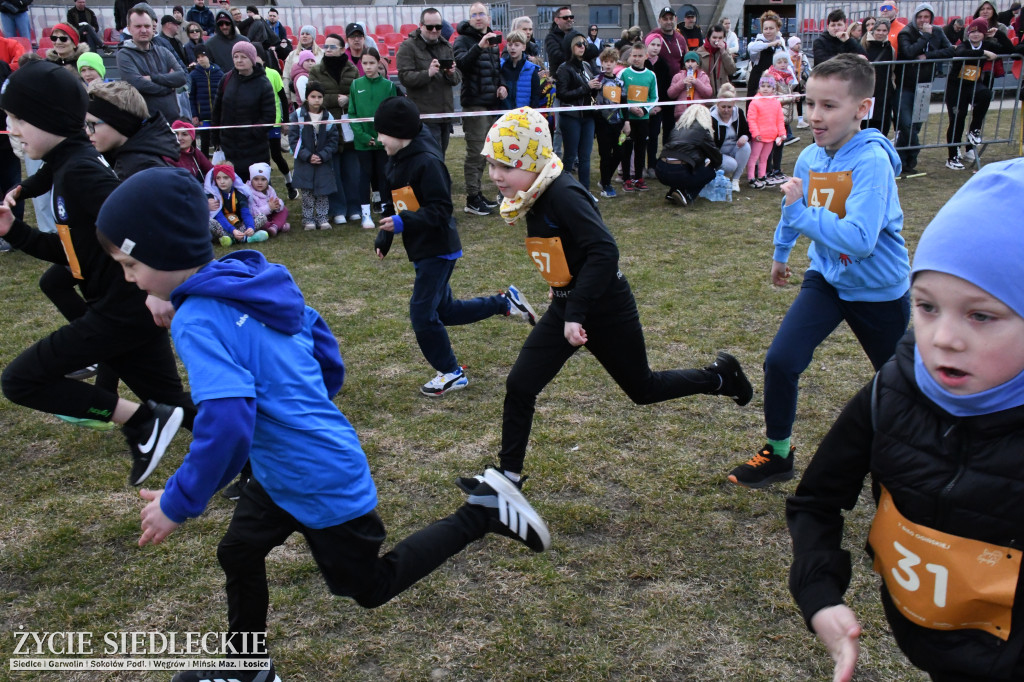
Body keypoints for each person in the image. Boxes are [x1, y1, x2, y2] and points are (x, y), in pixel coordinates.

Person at [92, 168, 549, 682]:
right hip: (282, 471)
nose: (128, 278)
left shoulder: (198, 320)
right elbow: (316, 333)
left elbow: (228, 425)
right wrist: (308, 400)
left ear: (166, 251)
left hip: (316, 476)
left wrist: (177, 502)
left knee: (370, 586)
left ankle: (483, 511)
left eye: (131, 265)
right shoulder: (250, 278)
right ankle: (247, 667)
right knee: (238, 551)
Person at [787, 157, 1024, 682]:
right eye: (926, 306)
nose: (944, 339)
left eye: (981, 315)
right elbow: (816, 501)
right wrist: (819, 593)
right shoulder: (892, 389)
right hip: (932, 654)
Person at [470, 105, 752, 506]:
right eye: (492, 165)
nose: (496, 175)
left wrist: (576, 311)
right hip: (570, 305)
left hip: (604, 308)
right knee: (520, 384)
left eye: (506, 166)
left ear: (533, 161)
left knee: (643, 389)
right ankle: (509, 479)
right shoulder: (535, 193)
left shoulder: (563, 193)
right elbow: (567, 248)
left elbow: (604, 250)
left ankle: (720, 378)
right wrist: (560, 285)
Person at [0, 61, 193, 486]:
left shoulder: (81, 171)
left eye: (18, 119)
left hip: (122, 311)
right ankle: (265, 463)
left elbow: (149, 221)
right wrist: (15, 231)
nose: (11, 129)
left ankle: (141, 422)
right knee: (173, 402)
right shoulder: (67, 167)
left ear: (48, 118)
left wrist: (160, 290)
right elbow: (76, 256)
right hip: (122, 309)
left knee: (20, 380)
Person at [726, 55, 911, 489]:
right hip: (826, 279)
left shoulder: (872, 162)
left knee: (900, 384)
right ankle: (779, 454)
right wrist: (781, 251)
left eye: (829, 106)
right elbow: (794, 208)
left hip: (878, 289)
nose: (814, 116)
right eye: (809, 103)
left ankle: (907, 467)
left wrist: (799, 212)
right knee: (781, 361)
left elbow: (860, 239)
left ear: (862, 108)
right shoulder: (810, 156)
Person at [371, 97, 536, 397]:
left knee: (422, 314)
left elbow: (441, 209)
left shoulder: (427, 162)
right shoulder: (397, 155)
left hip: (438, 249)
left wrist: (403, 222)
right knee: (444, 311)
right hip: (422, 246)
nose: (379, 138)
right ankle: (504, 303)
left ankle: (451, 373)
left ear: (400, 133)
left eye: (382, 133)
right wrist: (386, 235)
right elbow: (393, 195)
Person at [454, 2, 505, 216]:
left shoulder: (493, 39)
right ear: (469, 18)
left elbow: (495, 69)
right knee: (475, 152)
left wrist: (501, 85)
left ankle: (478, 194)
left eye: (481, 14)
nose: (477, 17)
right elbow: (461, 65)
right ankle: (472, 198)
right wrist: (479, 47)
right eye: (474, 14)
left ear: (488, 18)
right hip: (474, 102)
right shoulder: (462, 40)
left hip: (491, 103)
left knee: (485, 153)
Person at [305, 33, 360, 225]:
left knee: (352, 172)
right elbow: (312, 97)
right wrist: (335, 99)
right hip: (327, 128)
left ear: (342, 49)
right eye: (326, 46)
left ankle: (354, 208)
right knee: (332, 172)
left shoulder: (352, 69)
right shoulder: (317, 70)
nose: (327, 50)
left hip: (349, 127)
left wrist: (349, 99)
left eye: (332, 47)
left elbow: (358, 93)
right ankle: (338, 209)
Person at [943, 18, 1012, 170]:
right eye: (972, 31)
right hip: (956, 87)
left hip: (973, 85)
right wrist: (984, 53)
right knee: (957, 119)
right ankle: (952, 156)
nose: (975, 34)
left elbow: (1009, 50)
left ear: (984, 34)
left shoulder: (988, 44)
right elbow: (961, 52)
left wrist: (998, 34)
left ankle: (974, 130)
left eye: (979, 32)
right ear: (968, 33)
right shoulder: (965, 45)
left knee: (986, 94)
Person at [894, 2, 953, 175]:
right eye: (920, 17)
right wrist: (926, 36)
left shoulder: (938, 31)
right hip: (905, 85)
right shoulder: (906, 32)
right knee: (906, 124)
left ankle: (906, 163)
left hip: (925, 85)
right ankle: (911, 154)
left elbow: (950, 51)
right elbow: (909, 52)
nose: (923, 20)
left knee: (916, 126)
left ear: (931, 18)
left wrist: (928, 55)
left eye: (926, 17)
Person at [396, 8, 461, 155]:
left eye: (438, 27)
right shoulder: (408, 47)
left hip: (445, 115)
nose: (434, 30)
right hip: (423, 117)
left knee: (440, 157)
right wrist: (428, 73)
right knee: (428, 157)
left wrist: (451, 73)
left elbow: (457, 77)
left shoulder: (446, 46)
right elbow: (404, 77)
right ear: (421, 25)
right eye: (430, 27)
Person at [85, 80, 178, 180]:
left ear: (119, 122)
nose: (87, 131)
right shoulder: (126, 160)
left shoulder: (140, 169)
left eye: (93, 124)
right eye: (86, 124)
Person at [212, 41, 275, 183]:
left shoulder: (263, 83)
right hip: (229, 146)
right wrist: (216, 137)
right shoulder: (226, 79)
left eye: (243, 57)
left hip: (254, 149)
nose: (239, 60)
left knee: (256, 187)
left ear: (252, 59)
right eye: (236, 56)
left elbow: (269, 116)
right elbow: (217, 110)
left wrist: (252, 133)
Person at [349, 48, 396, 229]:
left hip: (383, 142)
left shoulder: (388, 86)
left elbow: (392, 112)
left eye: (371, 63)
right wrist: (362, 136)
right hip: (363, 143)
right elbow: (352, 113)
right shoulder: (355, 85)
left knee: (384, 175)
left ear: (378, 63)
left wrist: (381, 137)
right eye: (365, 63)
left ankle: (386, 209)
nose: (368, 67)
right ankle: (366, 214)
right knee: (364, 176)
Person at [116, 8, 188, 125]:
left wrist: (153, 78)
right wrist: (169, 87)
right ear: (129, 29)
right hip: (146, 125)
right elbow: (138, 83)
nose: (144, 30)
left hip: (173, 121)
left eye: (147, 26)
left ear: (153, 28)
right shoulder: (124, 55)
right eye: (138, 26)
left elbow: (181, 77)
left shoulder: (164, 51)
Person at [288, 80, 338, 230]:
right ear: (307, 97)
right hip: (304, 161)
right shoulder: (297, 116)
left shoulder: (328, 117)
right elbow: (294, 140)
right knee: (307, 192)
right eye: (313, 96)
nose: (316, 100)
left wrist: (322, 155)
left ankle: (322, 217)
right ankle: (308, 219)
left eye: (319, 97)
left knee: (323, 191)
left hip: (323, 161)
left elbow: (333, 140)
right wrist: (308, 156)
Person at [555, 33, 600, 198]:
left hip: (588, 116)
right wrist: (587, 87)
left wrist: (596, 87)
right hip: (571, 116)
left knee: (585, 156)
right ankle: (565, 192)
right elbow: (562, 94)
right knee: (570, 156)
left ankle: (585, 192)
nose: (582, 47)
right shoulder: (564, 68)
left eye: (584, 44)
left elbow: (589, 91)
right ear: (570, 47)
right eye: (578, 44)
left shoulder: (586, 65)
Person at [655, 104, 722, 206]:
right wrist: (713, 164)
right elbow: (716, 156)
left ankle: (673, 192)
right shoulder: (702, 131)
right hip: (679, 171)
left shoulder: (677, 128)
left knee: (689, 166)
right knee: (710, 172)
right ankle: (687, 195)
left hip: (660, 169)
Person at [620, 42, 658, 192]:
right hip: (627, 119)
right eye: (634, 56)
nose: (637, 59)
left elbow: (654, 97)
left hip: (643, 119)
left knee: (641, 149)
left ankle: (638, 178)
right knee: (626, 148)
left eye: (640, 56)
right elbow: (619, 95)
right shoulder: (623, 73)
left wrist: (644, 108)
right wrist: (630, 107)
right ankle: (626, 178)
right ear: (630, 56)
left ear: (646, 56)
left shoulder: (651, 75)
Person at [205, 163, 268, 244]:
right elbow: (219, 217)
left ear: (232, 178)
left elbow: (246, 214)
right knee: (208, 222)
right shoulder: (213, 195)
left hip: (239, 225)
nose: (222, 181)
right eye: (218, 178)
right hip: (223, 226)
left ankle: (233, 239)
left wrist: (250, 227)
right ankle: (244, 238)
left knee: (262, 217)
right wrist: (233, 230)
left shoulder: (240, 193)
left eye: (226, 178)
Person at [594, 46, 626, 198]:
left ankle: (604, 179)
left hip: (617, 122)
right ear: (601, 62)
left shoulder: (620, 82)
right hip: (602, 123)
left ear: (615, 63)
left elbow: (624, 103)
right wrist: (595, 89)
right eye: (605, 61)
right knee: (605, 155)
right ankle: (606, 185)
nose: (608, 64)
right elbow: (591, 97)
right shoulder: (597, 79)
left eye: (611, 61)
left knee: (619, 152)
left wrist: (626, 122)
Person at [745, 74, 785, 189]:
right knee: (754, 157)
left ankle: (762, 176)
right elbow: (751, 119)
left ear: (773, 88)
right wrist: (755, 133)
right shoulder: (755, 102)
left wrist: (782, 133)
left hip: (771, 136)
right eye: (763, 86)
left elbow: (780, 119)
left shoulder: (776, 102)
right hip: (758, 137)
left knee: (764, 158)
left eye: (768, 86)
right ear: (759, 87)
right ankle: (751, 178)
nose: (765, 89)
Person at [710, 83, 751, 193]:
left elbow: (747, 132)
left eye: (729, 107)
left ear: (734, 105)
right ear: (718, 104)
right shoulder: (711, 117)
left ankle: (735, 180)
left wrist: (744, 137)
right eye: (723, 107)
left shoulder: (739, 113)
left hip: (734, 148)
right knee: (732, 164)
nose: (726, 110)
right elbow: (709, 143)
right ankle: (716, 176)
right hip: (719, 153)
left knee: (746, 146)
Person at [642, 34, 670, 180]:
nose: (655, 48)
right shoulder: (642, 62)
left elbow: (665, 88)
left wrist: (659, 106)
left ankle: (652, 166)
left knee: (653, 137)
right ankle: (640, 166)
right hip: (642, 109)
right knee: (641, 138)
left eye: (658, 45)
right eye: (653, 44)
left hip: (657, 108)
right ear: (647, 45)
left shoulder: (663, 64)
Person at [188, 45, 222, 157]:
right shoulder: (194, 75)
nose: (200, 59)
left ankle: (220, 162)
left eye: (203, 56)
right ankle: (204, 163)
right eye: (198, 57)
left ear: (208, 56)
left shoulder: (219, 73)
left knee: (218, 141)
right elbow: (191, 97)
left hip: (218, 115)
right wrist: (194, 114)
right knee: (204, 142)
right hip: (203, 116)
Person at [864, 19, 896, 135]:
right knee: (865, 124)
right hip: (867, 91)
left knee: (882, 126)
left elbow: (892, 70)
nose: (881, 33)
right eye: (878, 30)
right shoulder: (864, 46)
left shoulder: (890, 48)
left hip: (884, 93)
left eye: (884, 30)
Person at [499, 30, 542, 110]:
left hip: (524, 114)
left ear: (523, 47)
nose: (512, 48)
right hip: (503, 114)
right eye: (510, 44)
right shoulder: (500, 66)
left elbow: (535, 97)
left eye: (516, 45)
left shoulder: (531, 69)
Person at [746, 11, 786, 97]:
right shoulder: (759, 41)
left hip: (775, 80)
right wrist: (770, 44)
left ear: (778, 28)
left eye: (771, 28)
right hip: (758, 79)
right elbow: (750, 48)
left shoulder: (781, 41)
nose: (768, 31)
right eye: (765, 29)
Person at [667, 50, 712, 121]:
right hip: (682, 114)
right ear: (684, 64)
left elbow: (708, 93)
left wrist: (696, 82)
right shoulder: (678, 76)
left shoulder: (703, 76)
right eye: (687, 61)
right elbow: (670, 94)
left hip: (698, 114)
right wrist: (682, 83)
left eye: (693, 61)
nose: (690, 64)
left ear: (697, 64)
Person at [246, 161, 289, 236]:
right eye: (256, 179)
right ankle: (278, 226)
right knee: (261, 222)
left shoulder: (269, 189)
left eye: (263, 179)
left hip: (271, 215)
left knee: (284, 210)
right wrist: (269, 208)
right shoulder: (248, 192)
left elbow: (276, 199)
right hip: (259, 218)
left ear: (267, 180)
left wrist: (278, 204)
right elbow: (253, 212)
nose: (260, 182)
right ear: (251, 179)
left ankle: (275, 226)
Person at [282, 25, 322, 100]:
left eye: (307, 34)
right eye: (302, 34)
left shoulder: (321, 54)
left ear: (313, 37)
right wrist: (287, 95)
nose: (304, 36)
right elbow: (286, 76)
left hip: (317, 96)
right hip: (296, 96)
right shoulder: (292, 55)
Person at [166, 118, 212, 183]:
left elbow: (211, 170)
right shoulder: (167, 156)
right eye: (176, 134)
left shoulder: (195, 152)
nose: (179, 138)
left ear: (192, 137)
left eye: (184, 134)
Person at [697, 24, 736, 97]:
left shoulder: (725, 50)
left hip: (722, 94)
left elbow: (732, 70)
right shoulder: (700, 52)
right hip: (706, 94)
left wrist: (723, 53)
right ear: (709, 37)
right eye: (714, 37)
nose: (717, 40)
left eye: (720, 38)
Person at [647, 6, 686, 79]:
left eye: (671, 19)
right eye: (665, 19)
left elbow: (685, 62)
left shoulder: (680, 39)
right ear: (659, 20)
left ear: (676, 19)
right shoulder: (652, 37)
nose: (668, 22)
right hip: (657, 81)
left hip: (677, 82)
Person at [788, 36, 811, 129]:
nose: (799, 45)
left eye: (799, 43)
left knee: (799, 99)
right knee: (788, 100)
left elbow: (807, 67)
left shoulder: (802, 55)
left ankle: (800, 120)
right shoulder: (787, 55)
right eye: (796, 43)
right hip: (789, 80)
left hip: (799, 80)